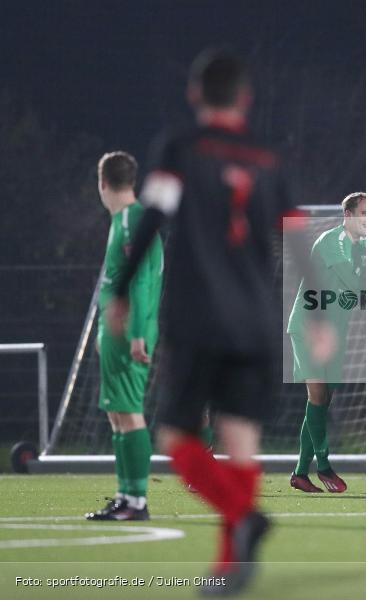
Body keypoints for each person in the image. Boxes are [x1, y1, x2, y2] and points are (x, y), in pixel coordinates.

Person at [106, 49, 333, 592]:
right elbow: (299, 238)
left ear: (194, 94)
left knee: (179, 439)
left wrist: (120, 289)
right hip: (256, 322)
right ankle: (232, 569)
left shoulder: (181, 148)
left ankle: (244, 517)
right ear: (245, 99)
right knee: (241, 443)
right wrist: (320, 311)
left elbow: (155, 214)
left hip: (199, 316)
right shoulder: (270, 159)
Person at [287, 192, 366, 493]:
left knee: (322, 400)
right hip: (309, 327)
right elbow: (354, 283)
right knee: (318, 395)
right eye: (364, 213)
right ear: (347, 215)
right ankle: (323, 466)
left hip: (335, 331)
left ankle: (299, 473)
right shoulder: (331, 241)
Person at [85, 151, 162, 522]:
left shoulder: (133, 219)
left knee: (130, 413)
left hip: (131, 331)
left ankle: (137, 500)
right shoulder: (122, 220)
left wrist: (135, 335)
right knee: (117, 413)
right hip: (115, 330)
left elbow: (142, 280)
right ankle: (124, 495)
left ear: (103, 183)